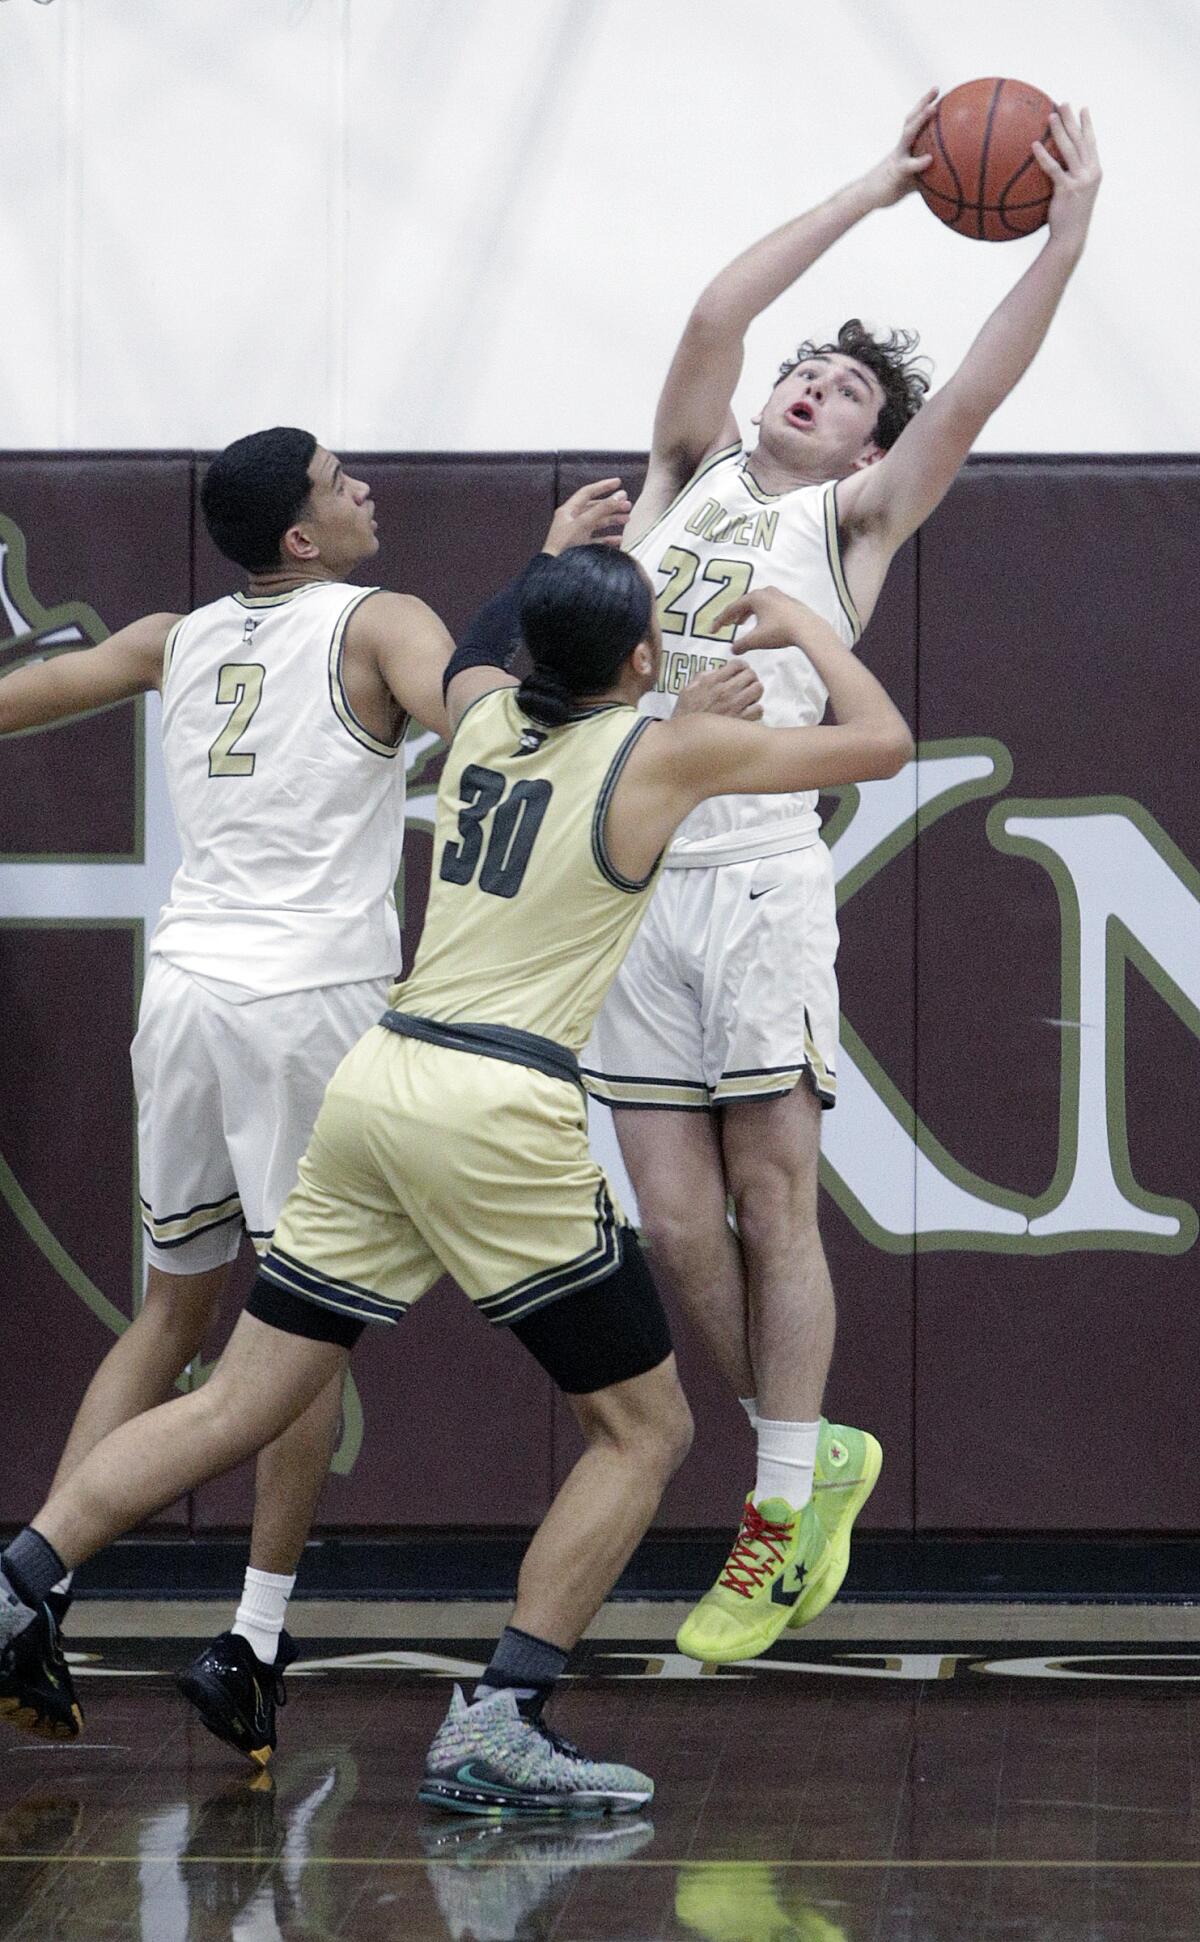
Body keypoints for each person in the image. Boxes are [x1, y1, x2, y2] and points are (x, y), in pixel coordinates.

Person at [0, 544, 912, 1813]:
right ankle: (503, 1716)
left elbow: (487, 642)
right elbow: (883, 743)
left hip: (380, 1087)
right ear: (646, 659)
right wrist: (810, 625)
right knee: (646, 1430)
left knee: (240, 1398)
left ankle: (20, 1583)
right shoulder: (664, 752)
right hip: (497, 1109)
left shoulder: (480, 714)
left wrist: (545, 569)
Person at [0, 428, 625, 1761]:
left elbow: (15, 696)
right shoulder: (380, 621)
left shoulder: (174, 636)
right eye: (343, 483)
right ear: (301, 535)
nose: (365, 492)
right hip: (310, 1003)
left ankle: (29, 1586)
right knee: (306, 1330)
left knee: (173, 1310)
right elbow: (486, 715)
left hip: (183, 993)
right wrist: (549, 578)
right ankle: (255, 1635)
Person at [581, 96, 1103, 1663]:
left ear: (873, 444)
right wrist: (877, 189)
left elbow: (982, 392)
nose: (812, 381)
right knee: (674, 1230)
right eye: (811, 368)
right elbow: (714, 313)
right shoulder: (680, 473)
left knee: (769, 1194)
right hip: (631, 877)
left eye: (850, 387)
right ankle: (822, 1461)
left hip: (753, 880)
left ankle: (773, 1514)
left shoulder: (853, 520)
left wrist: (1067, 235)